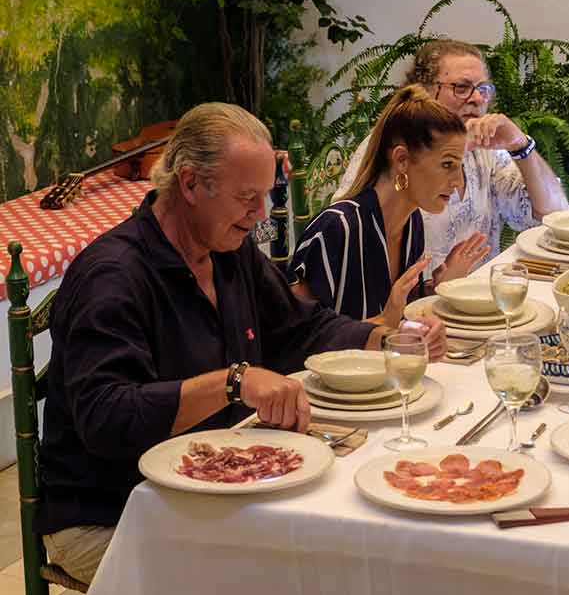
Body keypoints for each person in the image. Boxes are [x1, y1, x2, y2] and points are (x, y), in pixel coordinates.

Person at [35, 103, 438, 584]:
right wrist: (234, 382)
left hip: (206, 486)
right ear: (189, 184)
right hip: (110, 512)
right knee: (267, 578)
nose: (261, 213)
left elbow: (295, 329)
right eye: (247, 196)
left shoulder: (228, 251)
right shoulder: (114, 277)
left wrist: (384, 338)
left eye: (266, 195)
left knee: (339, 551)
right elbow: (107, 418)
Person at [333, 39, 569, 272]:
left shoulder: (487, 149)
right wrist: (456, 149)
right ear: (423, 91)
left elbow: (554, 214)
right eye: (461, 88)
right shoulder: (396, 146)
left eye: (483, 89)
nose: (477, 98)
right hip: (411, 303)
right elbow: (351, 237)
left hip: (479, 299)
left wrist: (520, 145)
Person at [290, 85, 484, 349]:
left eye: (460, 167)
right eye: (447, 164)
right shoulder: (337, 229)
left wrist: (436, 287)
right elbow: (293, 345)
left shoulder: (412, 223)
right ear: (402, 159)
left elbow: (402, 314)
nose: (458, 181)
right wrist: (387, 319)